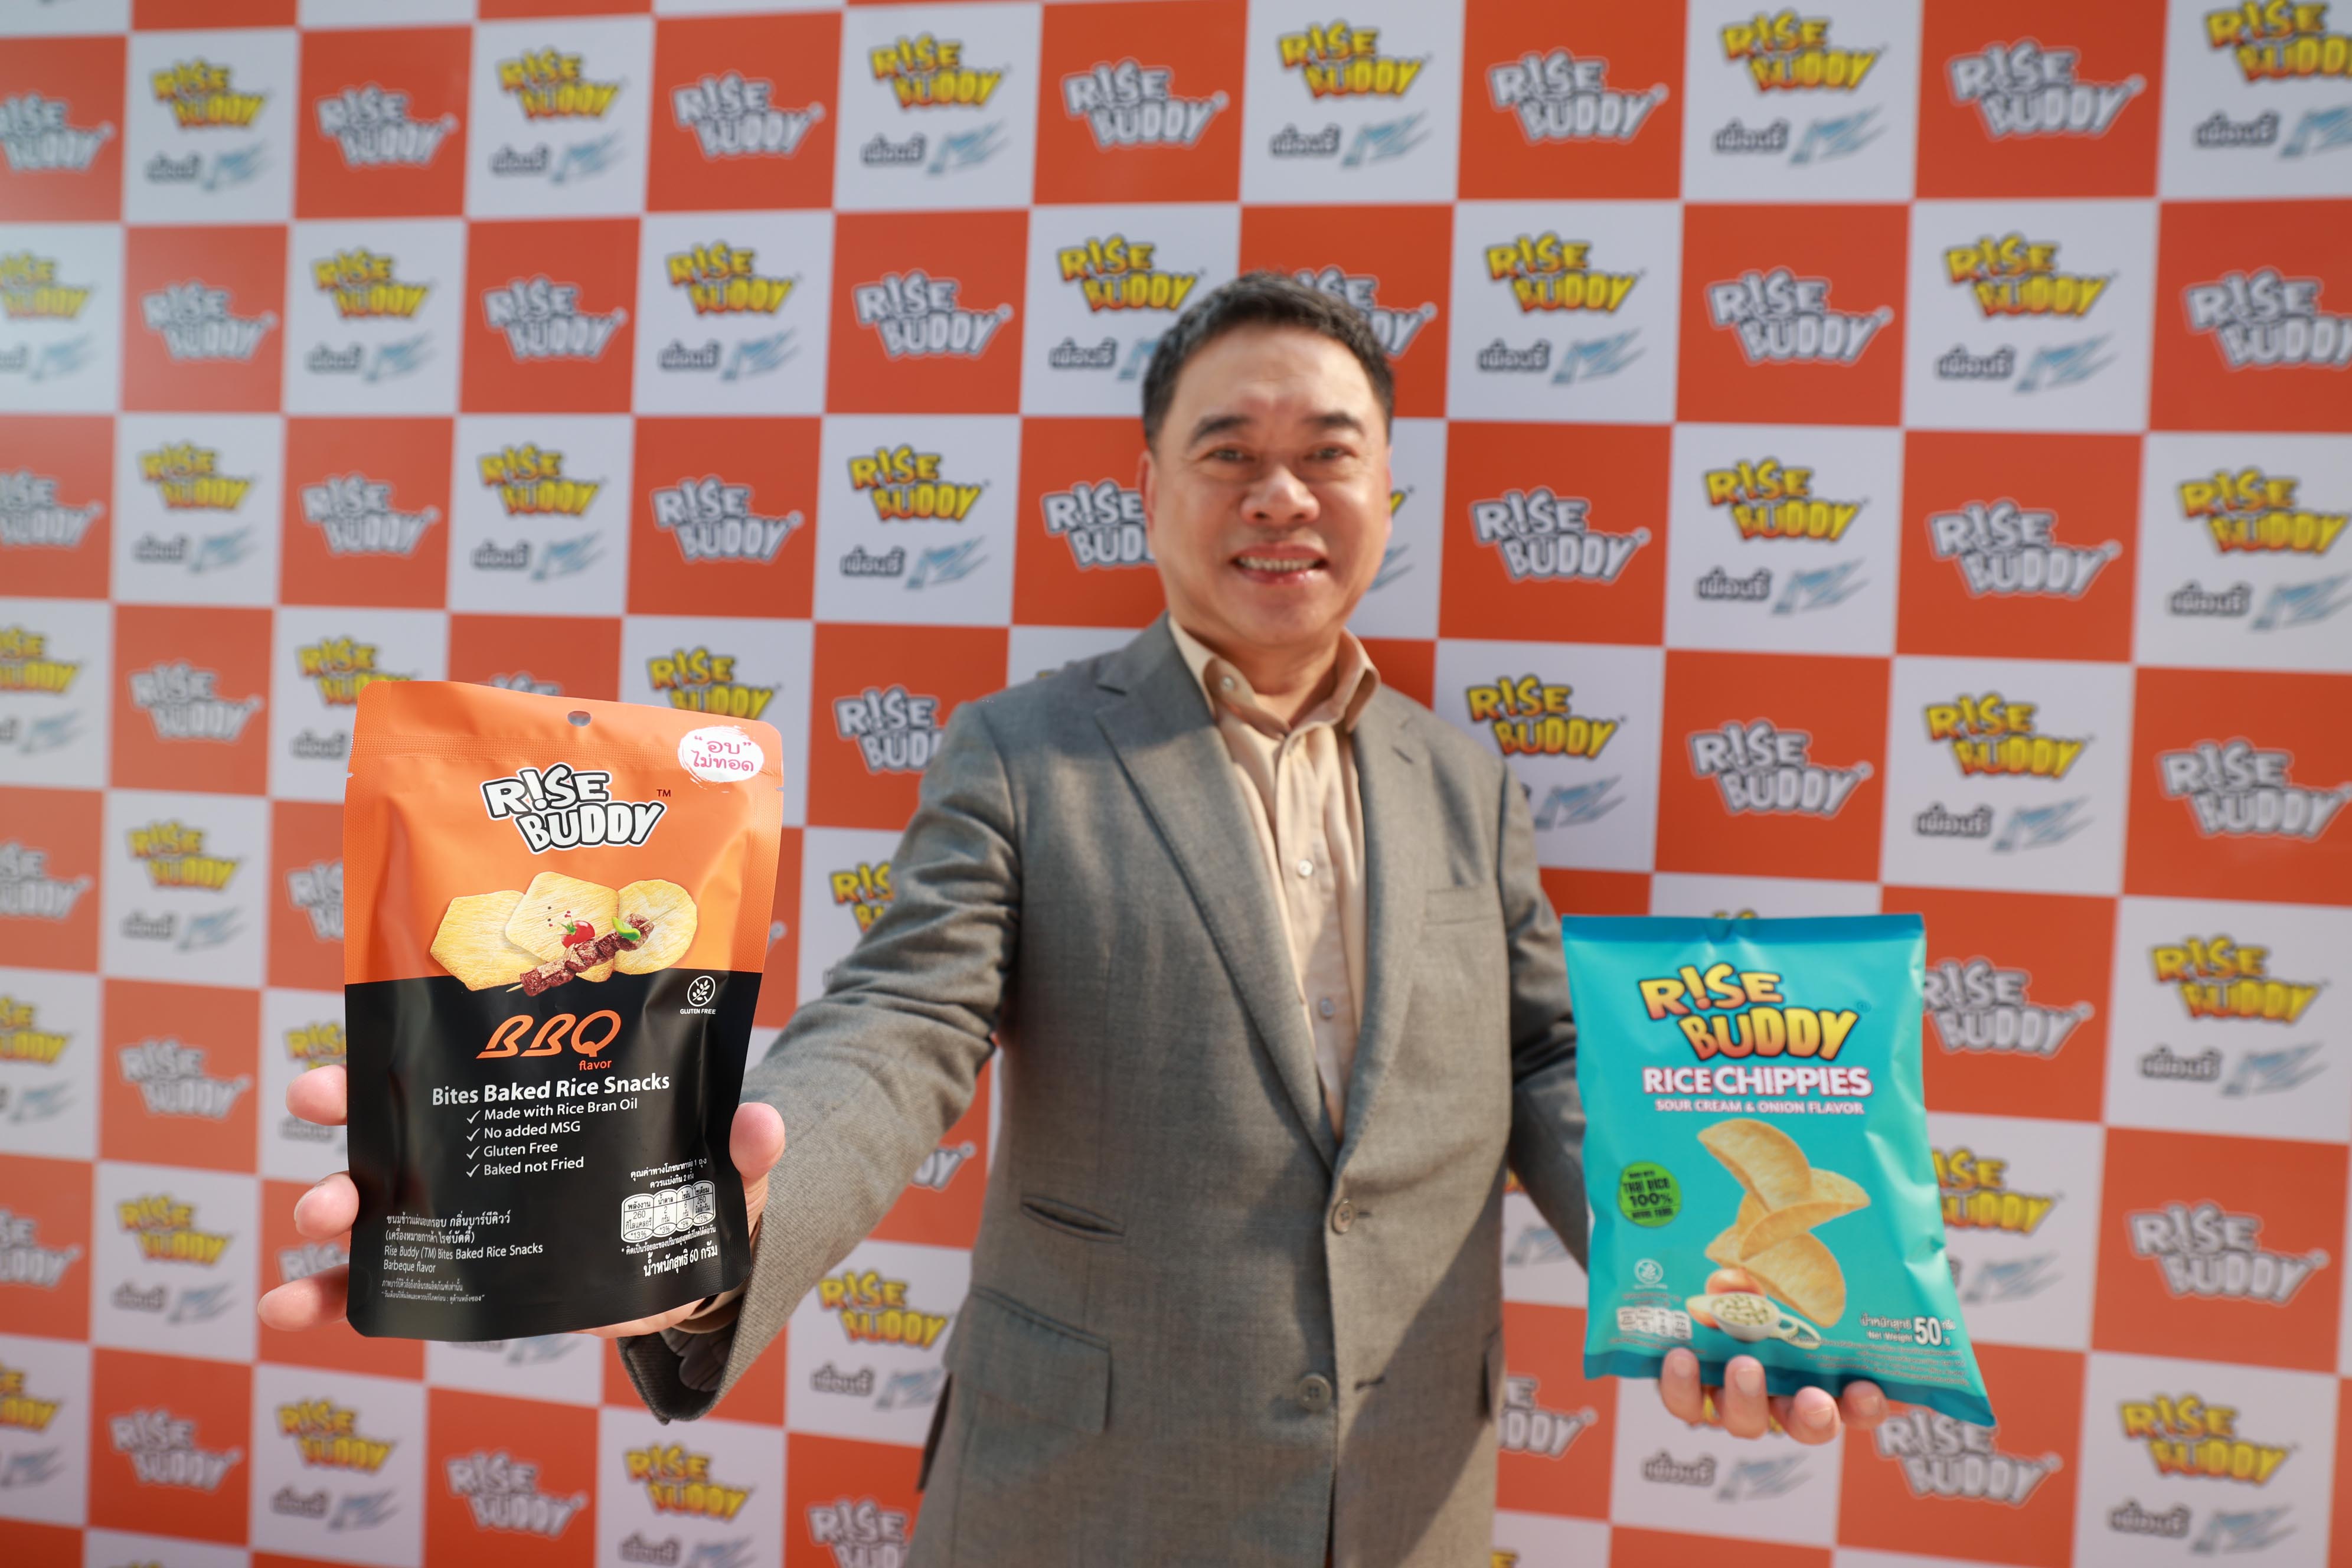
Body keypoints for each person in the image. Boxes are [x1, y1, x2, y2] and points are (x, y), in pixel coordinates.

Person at [262, 272, 1884, 1564]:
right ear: (1147, 492)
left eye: (1328, 452)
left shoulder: (1470, 782)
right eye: (1226, 451)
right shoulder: (1024, 753)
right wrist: (707, 1226)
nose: (1281, 493)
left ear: (1389, 490)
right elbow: (901, 1025)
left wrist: (1700, 1269)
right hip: (1085, 1497)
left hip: (1407, 1496)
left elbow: (1541, 1062)